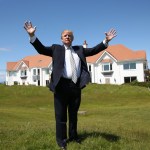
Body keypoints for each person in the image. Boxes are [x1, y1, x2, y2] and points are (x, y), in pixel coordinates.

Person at [24, 21, 117, 150]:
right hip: (61, 86)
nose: (67, 37)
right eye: (65, 35)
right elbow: (41, 49)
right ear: (61, 38)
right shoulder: (56, 48)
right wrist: (32, 36)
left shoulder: (79, 50)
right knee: (61, 115)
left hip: (76, 86)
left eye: (69, 35)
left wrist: (106, 41)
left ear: (72, 39)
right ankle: (62, 141)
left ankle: (73, 137)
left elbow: (94, 50)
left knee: (73, 115)